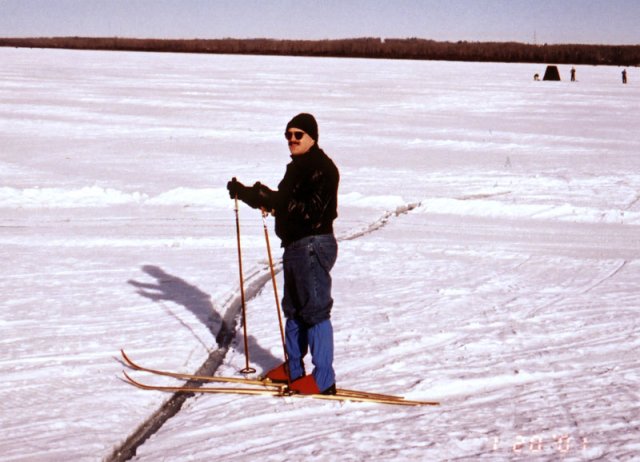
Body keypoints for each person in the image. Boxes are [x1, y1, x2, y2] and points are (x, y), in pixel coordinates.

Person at [227, 113, 340, 395]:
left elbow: (308, 210)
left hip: (313, 244)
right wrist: (248, 194)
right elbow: (283, 201)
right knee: (293, 309)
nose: (291, 140)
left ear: (312, 137)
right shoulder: (299, 166)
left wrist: (270, 200)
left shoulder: (321, 168)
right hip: (296, 245)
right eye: (288, 135)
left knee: (314, 310)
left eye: (298, 135)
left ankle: (323, 378)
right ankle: (294, 369)